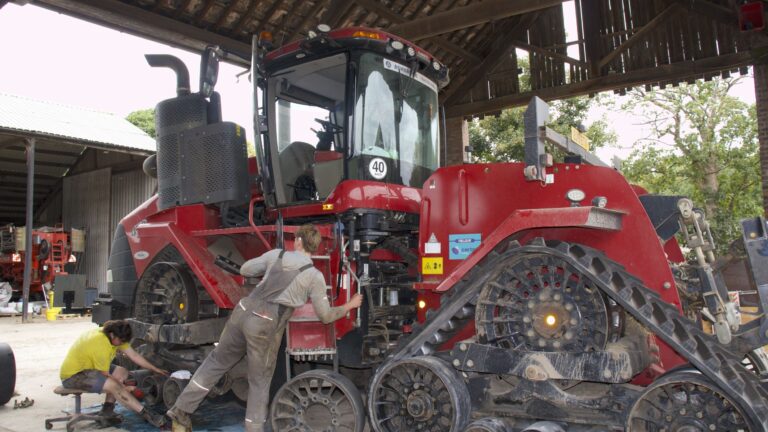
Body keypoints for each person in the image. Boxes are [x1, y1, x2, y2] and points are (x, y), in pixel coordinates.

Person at [167, 224, 363, 432]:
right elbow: (325, 316)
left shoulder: (277, 255)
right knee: (259, 382)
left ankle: (180, 412)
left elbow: (245, 269)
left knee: (215, 362)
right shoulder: (314, 276)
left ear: (297, 241)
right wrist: (350, 305)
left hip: (242, 310)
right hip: (264, 323)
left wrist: (266, 270)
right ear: (314, 247)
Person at [59, 319, 168, 427]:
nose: (122, 344)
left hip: (89, 368)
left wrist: (155, 369)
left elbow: (134, 356)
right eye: (121, 341)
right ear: (112, 335)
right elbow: (106, 375)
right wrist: (124, 387)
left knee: (122, 372)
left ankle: (107, 411)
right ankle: (147, 414)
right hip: (73, 376)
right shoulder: (101, 344)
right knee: (114, 386)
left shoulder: (114, 335)